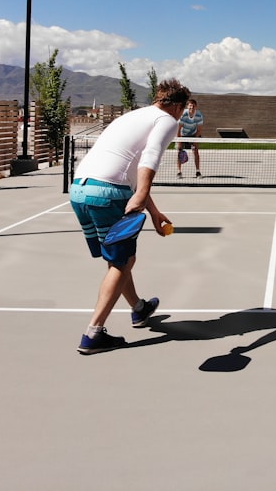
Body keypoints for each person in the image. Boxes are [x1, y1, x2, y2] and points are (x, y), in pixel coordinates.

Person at [70, 78, 191, 355]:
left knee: (119, 260)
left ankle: (139, 309)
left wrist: (154, 211)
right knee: (121, 262)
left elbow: (129, 173)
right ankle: (93, 334)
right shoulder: (167, 120)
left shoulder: (133, 116)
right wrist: (140, 195)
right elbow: (151, 156)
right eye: (182, 110)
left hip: (80, 189)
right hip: (108, 195)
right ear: (178, 106)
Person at [177, 98, 203, 179]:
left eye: (193, 106)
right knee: (179, 152)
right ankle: (179, 172)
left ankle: (198, 172)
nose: (191, 108)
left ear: (196, 107)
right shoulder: (183, 114)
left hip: (193, 134)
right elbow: (178, 128)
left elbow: (199, 130)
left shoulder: (199, 115)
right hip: (182, 134)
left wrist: (195, 140)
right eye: (190, 106)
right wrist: (179, 140)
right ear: (187, 107)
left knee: (196, 152)